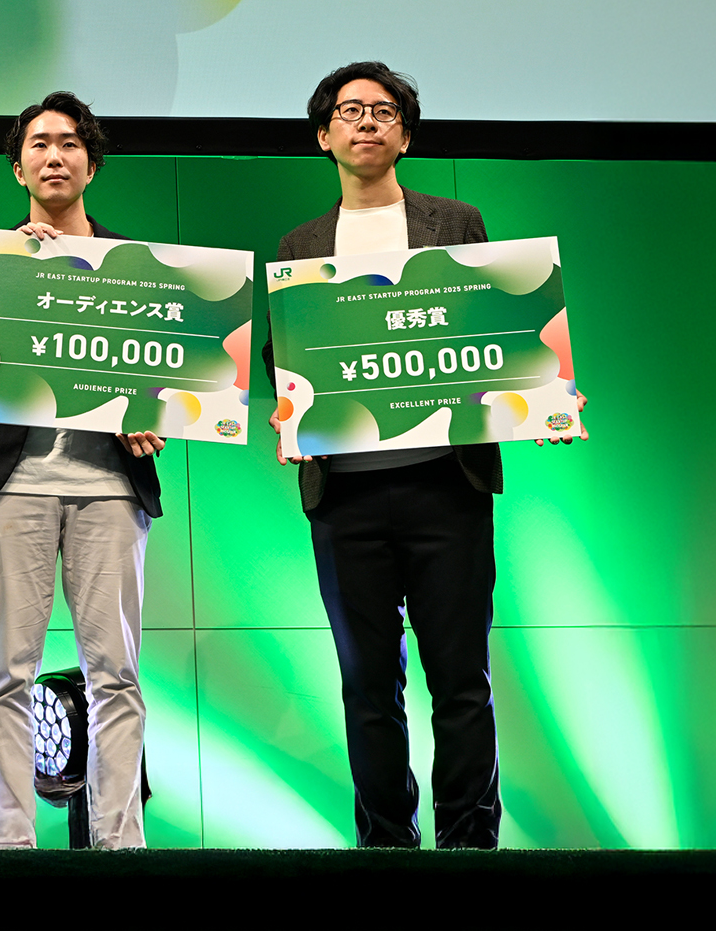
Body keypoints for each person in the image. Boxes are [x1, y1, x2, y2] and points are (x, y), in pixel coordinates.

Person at [264, 60, 586, 850]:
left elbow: (497, 332)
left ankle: (470, 844)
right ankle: (384, 846)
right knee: (368, 686)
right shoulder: (300, 244)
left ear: (405, 134)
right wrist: (291, 407)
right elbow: (285, 355)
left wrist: (544, 394)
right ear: (323, 135)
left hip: (449, 486)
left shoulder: (457, 222)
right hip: (346, 497)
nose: (366, 122)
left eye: (383, 111)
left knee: (462, 682)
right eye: (350, 111)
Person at [0, 91, 166, 850]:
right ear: (18, 167)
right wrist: (23, 270)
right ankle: (9, 841)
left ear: (90, 165)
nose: (54, 155)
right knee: (8, 671)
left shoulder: (136, 266)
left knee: (116, 674)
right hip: (15, 485)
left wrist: (150, 409)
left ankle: (119, 841)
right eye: (39, 144)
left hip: (109, 488)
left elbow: (169, 373)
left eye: (69, 144)